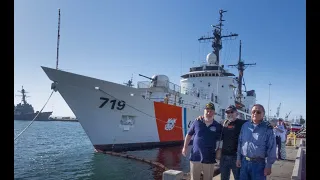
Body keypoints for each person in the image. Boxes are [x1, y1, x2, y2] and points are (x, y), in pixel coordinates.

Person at [182, 102, 222, 180]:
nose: (208, 112)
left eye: (211, 111)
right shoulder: (197, 122)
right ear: (204, 111)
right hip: (195, 157)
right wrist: (185, 147)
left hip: (209, 158)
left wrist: (219, 152)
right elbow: (189, 135)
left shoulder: (218, 126)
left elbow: (222, 139)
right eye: (207, 110)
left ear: (214, 112)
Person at [236, 104, 277, 180]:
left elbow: (271, 148)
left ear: (263, 114)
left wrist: (268, 166)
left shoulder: (267, 129)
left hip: (259, 165)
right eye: (253, 111)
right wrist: (238, 158)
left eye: (258, 112)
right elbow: (240, 142)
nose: (255, 113)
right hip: (244, 162)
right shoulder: (245, 126)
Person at [219, 105, 247, 180]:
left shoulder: (242, 123)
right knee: (224, 178)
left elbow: (255, 122)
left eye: (232, 112)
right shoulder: (223, 123)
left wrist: (267, 124)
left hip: (236, 157)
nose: (229, 113)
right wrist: (202, 118)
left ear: (236, 113)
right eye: (227, 112)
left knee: (238, 177)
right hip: (224, 157)